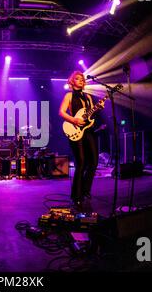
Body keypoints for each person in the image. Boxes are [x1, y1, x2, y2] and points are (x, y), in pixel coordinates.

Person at [59, 71, 103, 207]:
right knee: (81, 162)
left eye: (82, 79)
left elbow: (89, 116)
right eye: (78, 79)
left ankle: (85, 190)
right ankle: (76, 195)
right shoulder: (69, 95)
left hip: (89, 131)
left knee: (94, 162)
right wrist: (74, 120)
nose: (81, 80)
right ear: (72, 81)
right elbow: (61, 112)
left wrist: (98, 108)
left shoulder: (89, 97)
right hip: (76, 130)